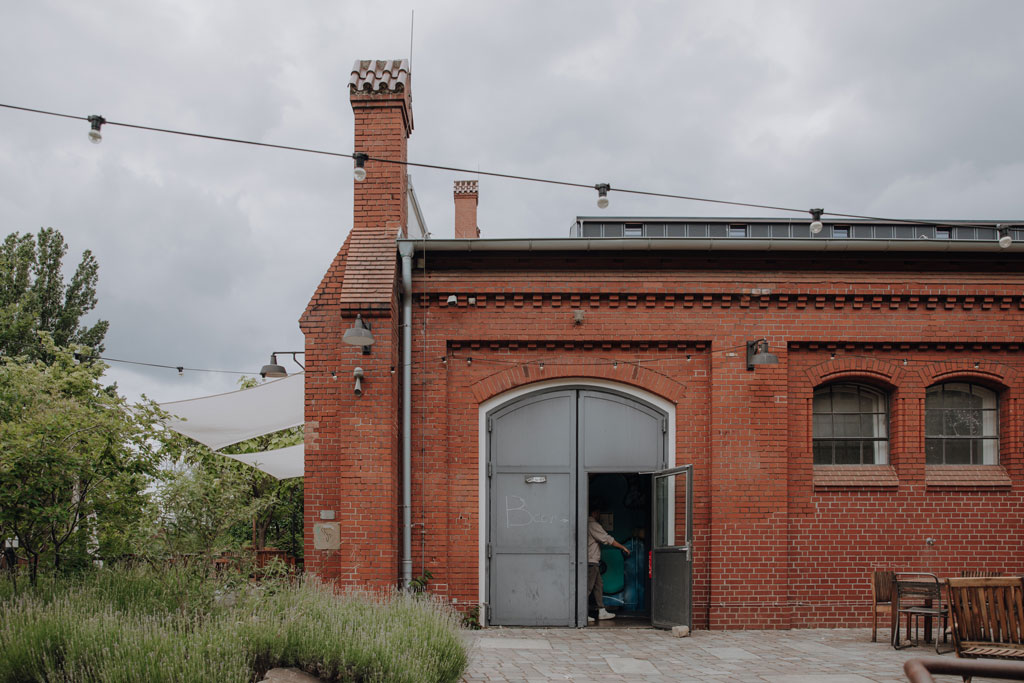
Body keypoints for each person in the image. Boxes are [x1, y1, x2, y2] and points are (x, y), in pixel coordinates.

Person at [587, 501, 630, 622]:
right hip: (591, 561)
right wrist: (623, 547)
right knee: (588, 588)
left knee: (598, 585)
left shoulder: (587, 524)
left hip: (592, 560)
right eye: (599, 513)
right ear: (595, 513)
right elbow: (607, 539)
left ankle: (601, 610)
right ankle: (581, 613)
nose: (600, 515)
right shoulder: (593, 525)